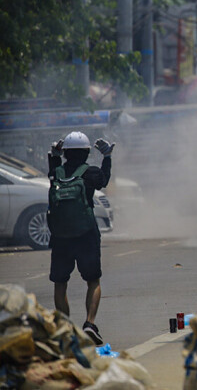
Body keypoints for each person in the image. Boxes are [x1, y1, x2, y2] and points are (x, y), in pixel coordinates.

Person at [47, 131, 114, 345]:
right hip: (86, 235)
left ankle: (66, 329)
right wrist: (107, 157)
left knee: (60, 282)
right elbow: (104, 181)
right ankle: (89, 324)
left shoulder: (56, 172)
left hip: (60, 238)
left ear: (65, 152)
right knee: (93, 280)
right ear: (87, 152)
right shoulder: (90, 172)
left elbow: (53, 168)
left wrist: (54, 155)